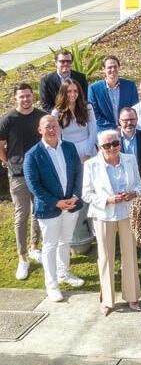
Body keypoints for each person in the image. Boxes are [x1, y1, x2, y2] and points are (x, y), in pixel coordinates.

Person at [23, 115, 84, 301]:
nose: (52, 129)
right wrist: (56, 202)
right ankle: (52, 285)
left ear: (59, 128)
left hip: (71, 204)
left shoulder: (69, 147)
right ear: (40, 130)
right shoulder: (33, 155)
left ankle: (63, 273)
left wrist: (75, 196)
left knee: (65, 241)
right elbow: (33, 185)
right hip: (49, 208)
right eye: (48, 126)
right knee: (50, 246)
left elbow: (78, 172)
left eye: (55, 126)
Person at [82, 130, 141, 315]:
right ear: (100, 147)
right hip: (103, 215)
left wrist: (133, 193)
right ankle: (107, 300)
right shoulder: (91, 165)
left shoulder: (130, 159)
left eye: (115, 143)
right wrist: (107, 200)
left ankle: (132, 296)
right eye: (107, 145)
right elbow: (86, 194)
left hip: (127, 213)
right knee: (106, 257)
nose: (112, 148)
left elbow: (140, 185)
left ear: (120, 143)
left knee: (130, 254)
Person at [0, 83, 45, 280]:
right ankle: (22, 257)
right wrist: (8, 162)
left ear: (32, 96)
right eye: (22, 96)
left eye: (28, 95)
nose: (26, 99)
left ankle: (34, 247)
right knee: (21, 214)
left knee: (38, 211)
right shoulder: (7, 119)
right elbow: (0, 144)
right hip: (18, 174)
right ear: (15, 98)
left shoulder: (41, 116)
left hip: (39, 172)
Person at [87, 55, 138, 133]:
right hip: (105, 132)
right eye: (109, 67)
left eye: (115, 66)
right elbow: (94, 114)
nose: (113, 69)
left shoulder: (130, 86)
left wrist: (126, 126)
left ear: (119, 67)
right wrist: (114, 127)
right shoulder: (94, 89)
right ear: (103, 69)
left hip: (127, 131)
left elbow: (134, 109)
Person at [52, 79, 98, 162]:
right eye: (69, 91)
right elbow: (57, 137)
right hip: (68, 151)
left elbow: (93, 131)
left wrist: (88, 153)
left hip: (89, 149)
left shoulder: (87, 107)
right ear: (63, 93)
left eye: (75, 91)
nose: (72, 94)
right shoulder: (56, 113)